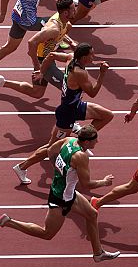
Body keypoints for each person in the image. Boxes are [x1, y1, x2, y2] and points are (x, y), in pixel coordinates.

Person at [0, 125, 120, 263]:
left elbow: (50, 150)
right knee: (47, 233)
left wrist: (59, 171)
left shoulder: (69, 140)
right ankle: (8, 222)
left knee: (92, 214)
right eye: (95, 140)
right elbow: (86, 185)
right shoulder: (81, 157)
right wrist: (104, 182)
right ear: (86, 142)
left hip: (65, 191)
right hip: (61, 198)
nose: (97, 142)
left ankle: (98, 253)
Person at [12, 43, 114, 185]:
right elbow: (93, 93)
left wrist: (42, 72)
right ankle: (21, 167)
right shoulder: (80, 73)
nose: (93, 56)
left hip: (76, 106)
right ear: (84, 57)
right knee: (51, 146)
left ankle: (81, 140)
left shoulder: (71, 57)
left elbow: (52, 55)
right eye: (91, 54)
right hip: (67, 113)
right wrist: (102, 73)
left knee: (107, 115)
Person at [0, 0, 76, 97]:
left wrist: (71, 42)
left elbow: (61, 33)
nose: (75, 9)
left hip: (48, 57)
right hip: (44, 62)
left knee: (37, 92)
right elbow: (31, 42)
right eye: (73, 8)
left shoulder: (65, 22)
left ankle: (3, 82)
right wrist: (37, 66)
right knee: (70, 87)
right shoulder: (54, 28)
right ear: (66, 13)